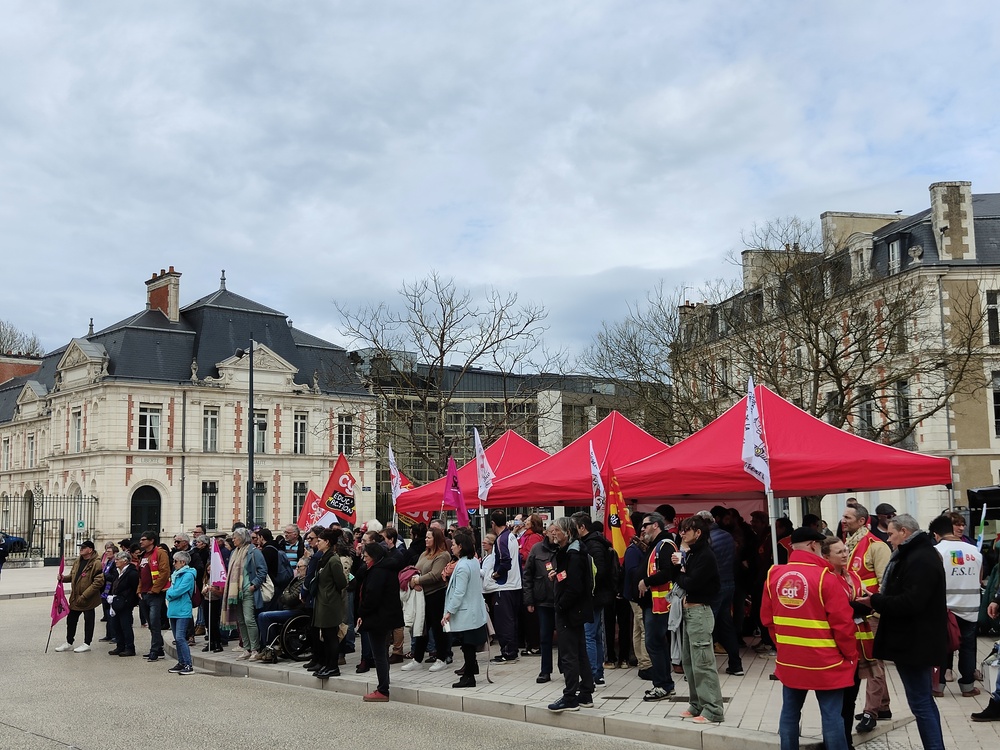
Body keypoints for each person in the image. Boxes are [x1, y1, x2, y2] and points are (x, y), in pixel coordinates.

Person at [761, 527, 857, 750]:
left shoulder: (774, 574)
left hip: (790, 660)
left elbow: (767, 620)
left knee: (790, 713)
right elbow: (843, 626)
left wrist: (784, 646)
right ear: (814, 545)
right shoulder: (826, 578)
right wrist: (850, 655)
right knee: (832, 717)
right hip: (827, 661)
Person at [857, 514, 947, 750]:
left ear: (904, 532)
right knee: (922, 702)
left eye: (891, 534)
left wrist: (875, 600)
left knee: (920, 703)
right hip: (914, 641)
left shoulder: (920, 558)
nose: (889, 539)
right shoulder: (915, 554)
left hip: (916, 642)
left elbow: (911, 602)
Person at [820, 536, 878, 749]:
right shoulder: (825, 578)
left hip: (858, 644)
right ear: (826, 556)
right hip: (836, 645)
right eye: (839, 552)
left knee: (851, 697)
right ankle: (837, 742)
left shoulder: (853, 575)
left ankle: (846, 740)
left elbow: (866, 600)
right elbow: (836, 609)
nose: (845, 555)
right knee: (836, 700)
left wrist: (860, 605)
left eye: (845, 550)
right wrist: (856, 607)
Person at [842, 503, 892, 733]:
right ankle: (882, 706)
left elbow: (885, 583)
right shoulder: (848, 545)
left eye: (847, 517)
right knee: (873, 660)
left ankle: (870, 712)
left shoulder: (877, 546)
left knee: (873, 662)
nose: (843, 520)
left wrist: (878, 611)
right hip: (857, 613)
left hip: (872, 613)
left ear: (862, 521)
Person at [674, 515, 724, 724]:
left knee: (703, 662)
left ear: (698, 533)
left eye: (687, 529)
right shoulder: (693, 553)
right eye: (682, 529)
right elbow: (685, 579)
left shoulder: (705, 555)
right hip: (689, 612)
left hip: (700, 612)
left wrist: (679, 571)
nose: (682, 533)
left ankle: (713, 708)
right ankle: (696, 703)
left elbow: (691, 582)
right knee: (689, 662)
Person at [928, 514, 982, 698]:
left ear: (937, 533)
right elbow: (980, 578)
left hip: (945, 609)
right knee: (968, 647)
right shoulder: (974, 550)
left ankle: (938, 686)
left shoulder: (936, 551)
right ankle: (967, 687)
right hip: (970, 607)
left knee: (941, 646)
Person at [547, 516, 595, 712]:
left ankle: (570, 696)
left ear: (567, 532)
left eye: (556, 530)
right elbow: (568, 577)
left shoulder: (574, 554)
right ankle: (586, 693)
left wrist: (560, 606)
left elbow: (575, 586)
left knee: (569, 654)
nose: (553, 533)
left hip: (570, 611)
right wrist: (557, 575)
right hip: (575, 610)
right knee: (580, 652)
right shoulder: (570, 551)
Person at [637, 511, 678, 701]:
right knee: (656, 643)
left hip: (659, 605)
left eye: (645, 525)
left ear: (656, 525)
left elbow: (668, 572)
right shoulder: (656, 545)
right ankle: (664, 684)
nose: (642, 529)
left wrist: (646, 581)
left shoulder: (665, 544)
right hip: (653, 604)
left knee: (654, 643)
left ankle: (662, 685)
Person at [697, 509, 743, 677]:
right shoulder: (727, 536)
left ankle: (705, 667)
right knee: (726, 625)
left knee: (707, 627)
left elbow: (705, 565)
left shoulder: (707, 540)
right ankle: (736, 664)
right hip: (729, 583)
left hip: (714, 587)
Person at [356, 542, 404, 702]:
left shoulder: (378, 572)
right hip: (385, 616)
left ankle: (383, 689)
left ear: (375, 558)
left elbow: (371, 597)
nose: (364, 560)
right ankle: (384, 681)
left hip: (378, 617)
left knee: (379, 654)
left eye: (366, 557)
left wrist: (362, 613)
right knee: (382, 652)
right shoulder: (385, 568)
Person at [444, 528, 490, 688]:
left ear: (461, 546)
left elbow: (459, 592)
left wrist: (449, 611)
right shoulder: (473, 561)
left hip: (466, 611)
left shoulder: (463, 566)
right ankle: (471, 670)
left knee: (468, 646)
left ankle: (469, 677)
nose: (452, 547)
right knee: (468, 645)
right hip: (473, 610)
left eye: (454, 544)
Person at [402, 527, 452, 672]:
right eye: (426, 537)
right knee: (421, 628)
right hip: (422, 596)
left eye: (429, 537)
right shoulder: (424, 553)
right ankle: (417, 659)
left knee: (437, 628)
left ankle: (441, 658)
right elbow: (416, 570)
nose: (426, 540)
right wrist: (413, 580)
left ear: (436, 539)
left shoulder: (443, 555)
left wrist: (417, 581)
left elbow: (435, 575)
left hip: (436, 595)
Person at [221, 526, 268, 661]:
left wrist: (254, 585)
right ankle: (246, 648)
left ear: (241, 538)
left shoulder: (253, 552)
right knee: (240, 621)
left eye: (235, 538)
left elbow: (262, 570)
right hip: (235, 592)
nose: (233, 540)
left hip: (247, 590)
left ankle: (255, 648)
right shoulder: (235, 552)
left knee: (249, 619)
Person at [309, 528, 348, 678]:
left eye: (319, 541)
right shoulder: (323, 558)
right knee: (325, 635)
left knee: (331, 636)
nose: (317, 543)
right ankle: (327, 664)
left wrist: (329, 593)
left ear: (327, 542)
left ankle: (333, 666)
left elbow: (341, 582)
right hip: (322, 601)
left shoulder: (333, 559)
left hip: (330, 602)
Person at [54, 540, 106, 653]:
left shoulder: (96, 563)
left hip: (88, 598)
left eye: (83, 547)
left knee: (88, 620)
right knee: (71, 619)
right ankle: (69, 642)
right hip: (75, 597)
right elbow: (73, 576)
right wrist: (63, 578)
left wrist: (85, 595)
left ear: (90, 550)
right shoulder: (78, 561)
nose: (81, 549)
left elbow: (98, 582)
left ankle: (87, 643)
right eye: (80, 547)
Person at [523, 521, 558, 683]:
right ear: (546, 533)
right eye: (551, 531)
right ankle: (545, 670)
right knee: (544, 637)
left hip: (561, 600)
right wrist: (529, 600)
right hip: (543, 600)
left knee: (565, 638)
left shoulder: (564, 549)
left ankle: (565, 667)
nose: (554, 534)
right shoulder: (537, 549)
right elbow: (528, 575)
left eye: (557, 531)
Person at [488, 510, 522, 664]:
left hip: (505, 585)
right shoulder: (511, 536)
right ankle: (512, 650)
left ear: (493, 523)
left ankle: (508, 652)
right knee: (512, 620)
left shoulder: (502, 539)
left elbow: (505, 562)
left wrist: (496, 574)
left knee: (504, 621)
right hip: (514, 584)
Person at [623, 510, 652, 680]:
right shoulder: (634, 550)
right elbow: (633, 572)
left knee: (638, 628)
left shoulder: (641, 548)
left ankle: (643, 661)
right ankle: (645, 664)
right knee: (643, 628)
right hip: (637, 594)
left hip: (636, 594)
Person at [136, 530, 170, 661]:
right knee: (151, 623)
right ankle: (159, 648)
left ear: (151, 541)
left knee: (155, 623)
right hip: (144, 594)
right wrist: (139, 590)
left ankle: (154, 650)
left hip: (155, 594)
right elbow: (141, 575)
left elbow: (164, 572)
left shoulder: (160, 553)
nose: (140, 541)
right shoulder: (143, 555)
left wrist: (154, 589)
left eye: (144, 539)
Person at [165, 549, 197, 674]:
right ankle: (181, 662)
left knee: (180, 637)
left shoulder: (188, 575)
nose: (174, 563)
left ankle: (188, 664)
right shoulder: (175, 574)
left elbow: (179, 590)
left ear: (183, 562)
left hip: (183, 609)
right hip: (173, 609)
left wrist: (169, 593)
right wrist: (171, 592)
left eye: (176, 561)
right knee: (177, 638)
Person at [518, 514, 545, 657]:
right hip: (528, 575)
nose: (525, 522)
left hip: (529, 576)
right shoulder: (528, 536)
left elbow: (528, 555)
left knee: (531, 613)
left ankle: (534, 644)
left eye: (528, 521)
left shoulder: (533, 537)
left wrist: (519, 551)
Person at [107, 550, 139, 657]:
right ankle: (120, 646)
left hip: (125, 603)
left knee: (126, 626)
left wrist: (129, 601)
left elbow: (134, 588)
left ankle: (129, 648)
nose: (115, 561)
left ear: (125, 561)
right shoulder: (118, 572)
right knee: (116, 625)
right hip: (116, 602)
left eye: (118, 559)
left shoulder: (132, 573)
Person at [98, 541, 119, 644]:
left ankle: (115, 635)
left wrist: (104, 576)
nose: (106, 552)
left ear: (114, 553)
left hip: (111, 590)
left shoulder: (115, 563)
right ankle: (108, 634)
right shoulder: (108, 562)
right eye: (106, 551)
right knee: (107, 614)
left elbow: (115, 577)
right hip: (105, 590)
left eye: (109, 551)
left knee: (112, 614)